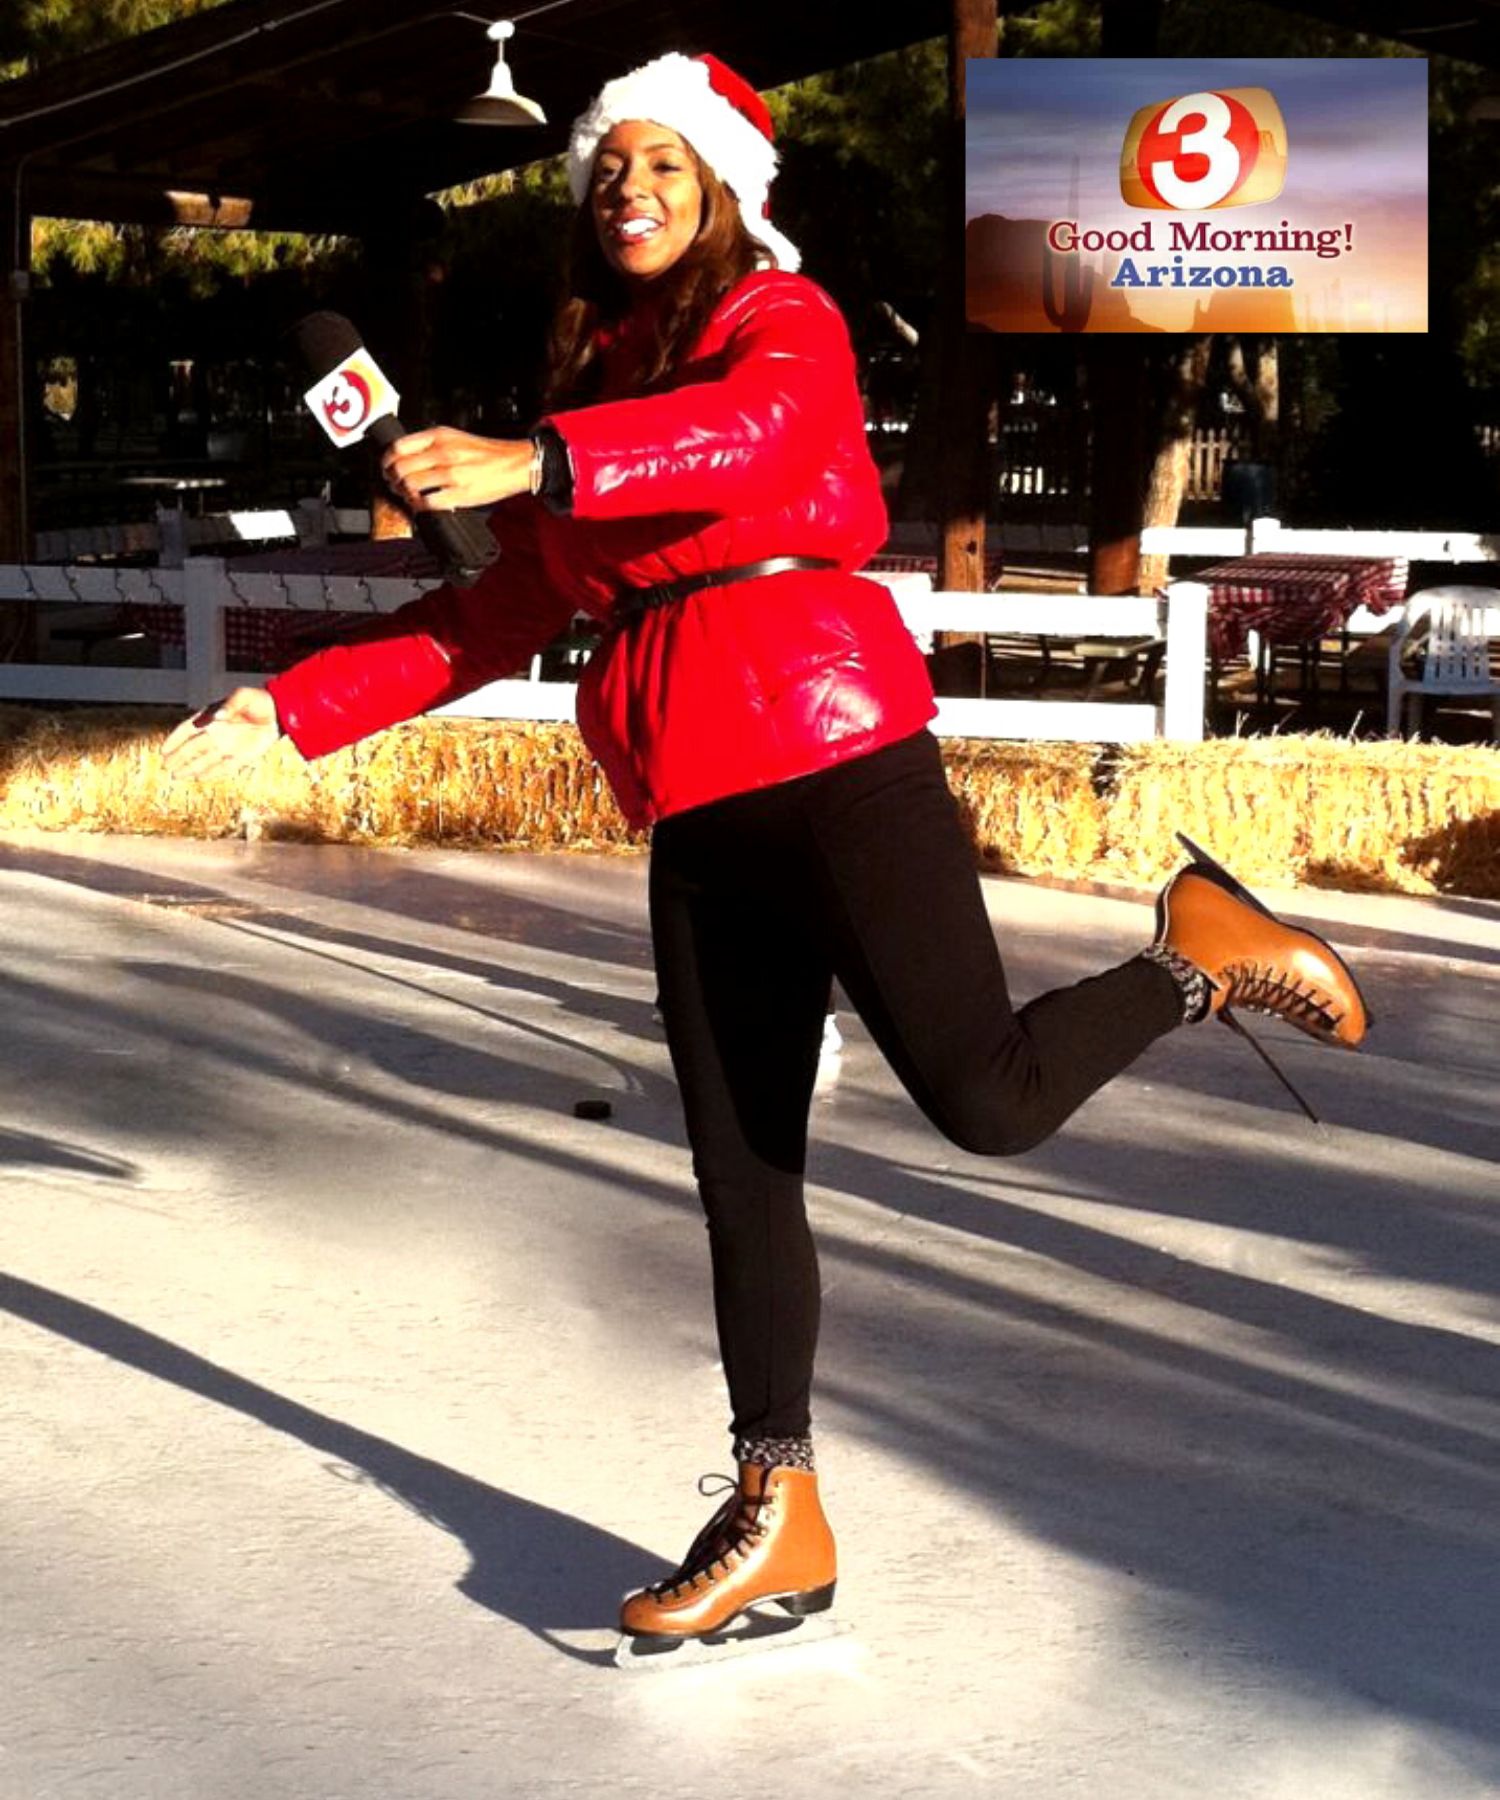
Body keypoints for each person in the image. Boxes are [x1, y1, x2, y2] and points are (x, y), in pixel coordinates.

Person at [162, 50, 1369, 1653]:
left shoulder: (771, 321)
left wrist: (542, 463)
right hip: (693, 792)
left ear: (720, 184)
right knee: (743, 1174)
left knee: (987, 1100)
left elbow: (757, 436)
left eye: (662, 164)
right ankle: (776, 1507)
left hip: (827, 740)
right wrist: (297, 707)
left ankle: (1193, 953)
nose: (630, 191)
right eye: (607, 172)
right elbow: (499, 609)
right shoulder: (594, 387)